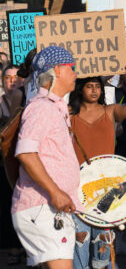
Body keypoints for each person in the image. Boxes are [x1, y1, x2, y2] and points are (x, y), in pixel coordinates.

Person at [69, 66, 126, 269]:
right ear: (80, 89)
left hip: (108, 190)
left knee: (103, 247)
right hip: (77, 188)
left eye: (97, 87)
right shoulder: (69, 114)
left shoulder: (109, 111)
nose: (94, 90)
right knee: (79, 246)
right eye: (89, 86)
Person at [11, 46, 79, 269]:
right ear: (57, 70)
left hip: (49, 208)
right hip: (43, 206)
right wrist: (55, 192)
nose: (76, 73)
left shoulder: (54, 107)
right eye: (72, 68)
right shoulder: (41, 107)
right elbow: (26, 153)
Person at [1, 64, 24, 265]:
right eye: (7, 78)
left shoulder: (28, 102)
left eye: (16, 78)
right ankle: (13, 247)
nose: (12, 81)